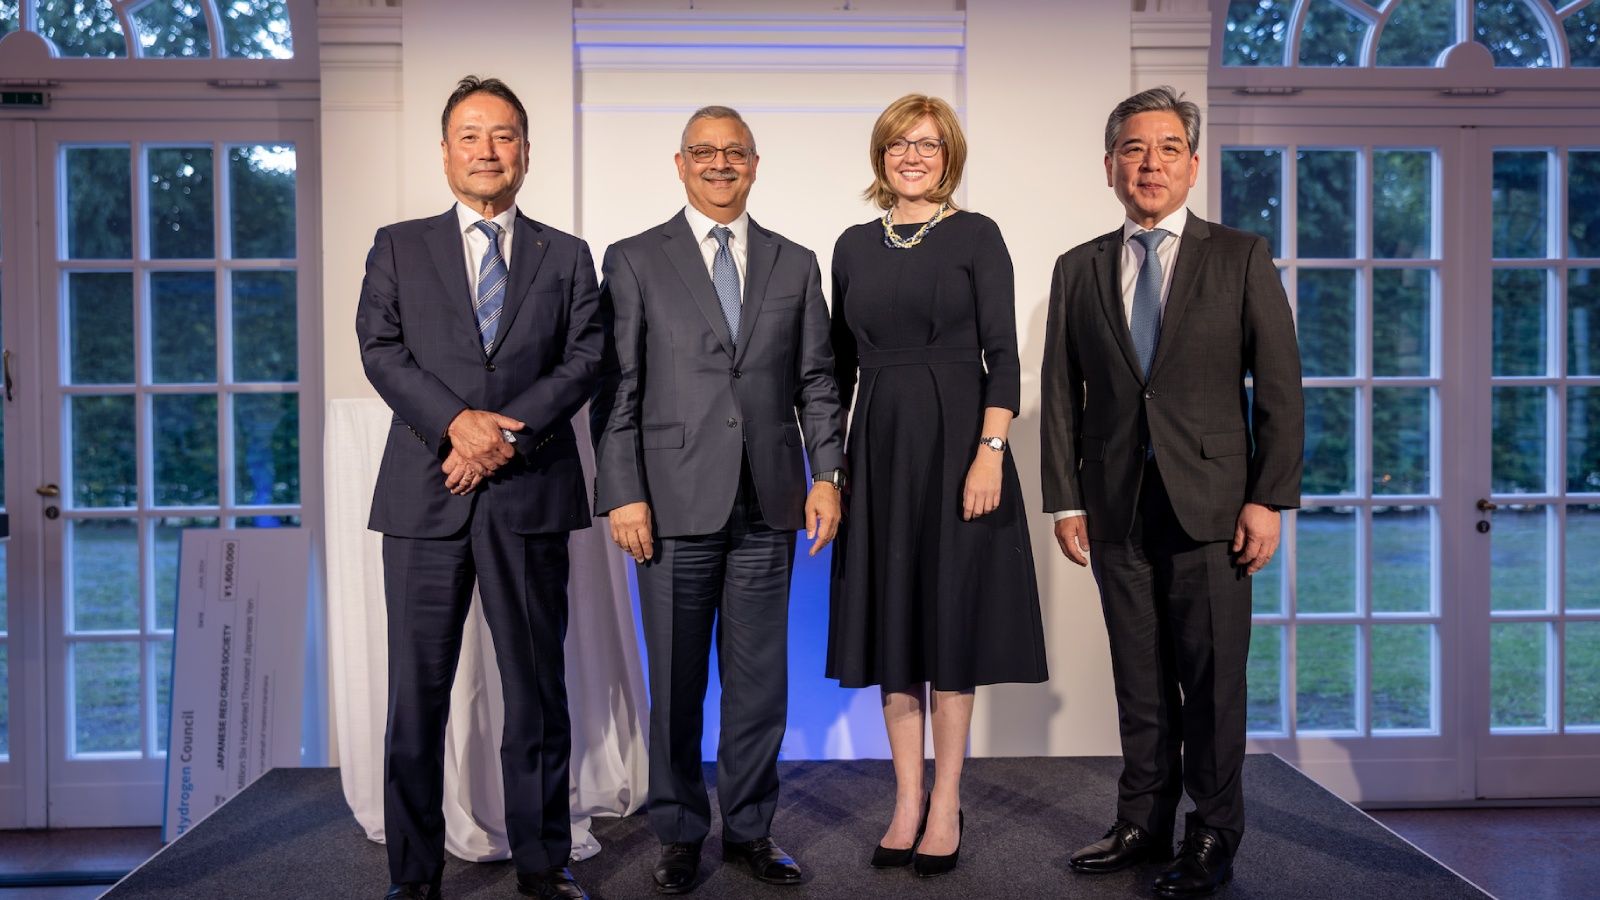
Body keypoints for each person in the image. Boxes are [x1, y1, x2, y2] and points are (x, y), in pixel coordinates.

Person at [1040, 85, 1304, 898]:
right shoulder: (1078, 266)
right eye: (1132, 149)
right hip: (1116, 506)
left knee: (1213, 682)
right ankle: (1142, 822)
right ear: (1110, 167)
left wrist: (1268, 498)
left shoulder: (1241, 256)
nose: (1147, 164)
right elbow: (1058, 391)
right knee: (1141, 679)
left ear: (1192, 165)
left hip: (1216, 509)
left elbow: (1283, 390)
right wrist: (1065, 498)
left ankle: (1212, 835)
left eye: (1164, 149)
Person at [589, 105, 846, 895]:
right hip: (666, 508)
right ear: (679, 163)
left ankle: (751, 831)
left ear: (756, 163)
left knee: (760, 682)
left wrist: (828, 474)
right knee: (675, 684)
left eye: (734, 152)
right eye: (704, 151)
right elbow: (617, 389)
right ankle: (677, 832)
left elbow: (817, 382)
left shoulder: (795, 263)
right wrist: (623, 494)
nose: (720, 163)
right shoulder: (633, 260)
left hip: (769, 504)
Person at [356, 75, 601, 900]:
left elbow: (585, 360)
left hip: (527, 492)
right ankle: (414, 877)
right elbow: (381, 349)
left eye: (503, 136)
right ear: (446, 150)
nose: (487, 150)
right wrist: (458, 423)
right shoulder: (398, 244)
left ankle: (544, 863)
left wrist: (499, 436)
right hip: (426, 495)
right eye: (471, 135)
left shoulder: (566, 255)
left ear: (525, 151)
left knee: (535, 693)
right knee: (416, 699)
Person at [825, 93, 1049, 879]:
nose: (911, 157)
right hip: (880, 452)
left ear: (950, 154)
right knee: (896, 629)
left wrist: (990, 451)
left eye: (926, 145)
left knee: (948, 626)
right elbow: (837, 369)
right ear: (880, 158)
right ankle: (906, 801)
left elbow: (1005, 356)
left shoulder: (976, 236)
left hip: (961, 447)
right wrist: (833, 470)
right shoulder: (851, 246)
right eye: (897, 145)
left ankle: (947, 802)